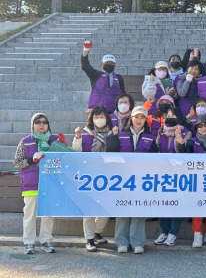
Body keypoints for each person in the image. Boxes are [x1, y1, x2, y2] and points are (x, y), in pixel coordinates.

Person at [107, 106, 158, 254]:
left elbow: (155, 160)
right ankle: (122, 242)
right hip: (122, 180)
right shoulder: (121, 135)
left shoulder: (150, 138)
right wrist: (114, 137)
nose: (139, 120)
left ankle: (137, 243)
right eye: (136, 117)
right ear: (131, 118)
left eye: (142, 118)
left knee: (138, 211)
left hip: (142, 181)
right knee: (122, 211)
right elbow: (112, 152)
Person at [13, 113, 64, 254]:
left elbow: (65, 159)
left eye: (44, 122)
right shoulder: (25, 141)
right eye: (38, 122)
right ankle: (29, 242)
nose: (41, 124)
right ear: (32, 125)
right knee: (29, 214)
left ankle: (46, 240)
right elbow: (17, 163)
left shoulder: (55, 140)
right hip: (31, 184)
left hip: (50, 183)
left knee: (48, 214)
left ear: (48, 124)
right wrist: (31, 160)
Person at [71, 106, 114, 252]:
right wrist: (77, 138)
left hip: (108, 175)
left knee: (106, 208)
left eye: (102, 116)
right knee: (88, 209)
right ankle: (89, 239)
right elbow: (76, 152)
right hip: (89, 176)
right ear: (91, 118)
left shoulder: (112, 133)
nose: (99, 119)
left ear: (107, 118)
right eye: (96, 116)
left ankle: (97, 233)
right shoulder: (84, 133)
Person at [152, 108, 191, 247]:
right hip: (162, 172)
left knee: (175, 203)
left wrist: (180, 141)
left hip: (178, 173)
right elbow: (156, 148)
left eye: (174, 115)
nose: (170, 118)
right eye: (168, 115)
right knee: (162, 203)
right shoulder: (161, 131)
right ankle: (164, 231)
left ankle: (173, 233)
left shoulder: (186, 131)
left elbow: (186, 151)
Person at [181, 115, 206, 248]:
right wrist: (184, 146)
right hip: (196, 180)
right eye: (200, 126)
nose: (203, 128)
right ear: (196, 128)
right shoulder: (191, 142)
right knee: (197, 206)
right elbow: (186, 161)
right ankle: (197, 234)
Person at [82, 45, 125, 114]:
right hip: (96, 112)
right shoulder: (96, 75)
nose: (109, 65)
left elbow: (123, 94)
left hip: (113, 113)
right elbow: (85, 66)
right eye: (107, 63)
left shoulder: (119, 78)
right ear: (102, 64)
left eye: (111, 63)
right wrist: (85, 50)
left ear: (115, 65)